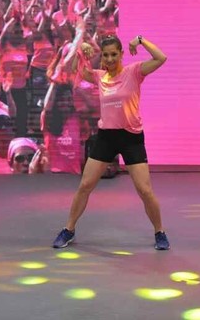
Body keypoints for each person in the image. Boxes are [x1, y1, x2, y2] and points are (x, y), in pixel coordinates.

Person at [51, 29, 170, 250]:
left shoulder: (134, 72)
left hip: (131, 138)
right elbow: (77, 70)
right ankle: (68, 229)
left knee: (145, 191)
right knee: (85, 185)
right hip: (106, 137)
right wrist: (81, 52)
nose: (109, 59)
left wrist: (141, 40)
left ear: (121, 54)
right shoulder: (99, 76)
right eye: (106, 55)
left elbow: (161, 58)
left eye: (114, 54)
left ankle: (160, 232)